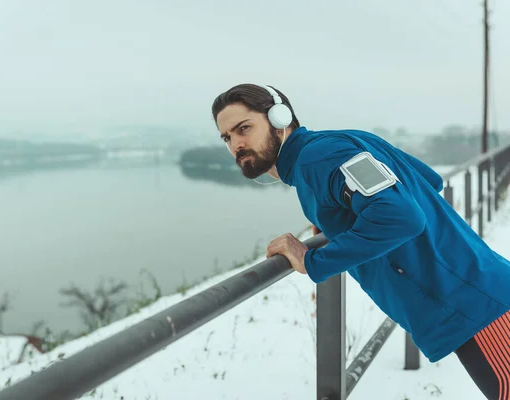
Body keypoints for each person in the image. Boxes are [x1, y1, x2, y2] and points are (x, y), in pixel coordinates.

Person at [211, 83, 510, 400]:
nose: (236, 145)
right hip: (478, 295)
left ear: (279, 118)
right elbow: (427, 181)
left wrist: (313, 261)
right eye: (227, 137)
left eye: (244, 128)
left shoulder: (317, 159)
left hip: (477, 304)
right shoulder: (337, 144)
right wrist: (338, 222)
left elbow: (401, 215)